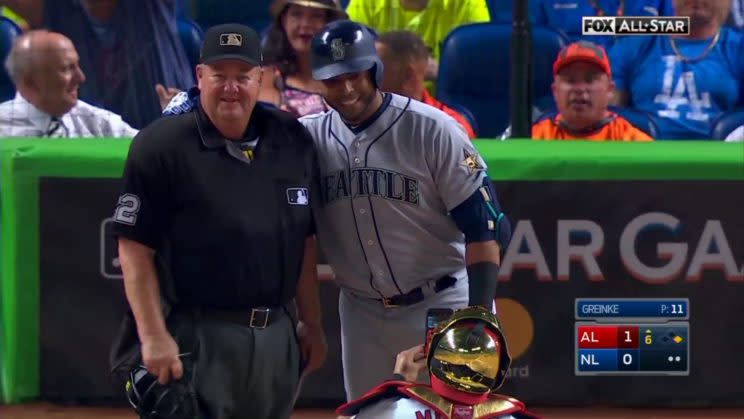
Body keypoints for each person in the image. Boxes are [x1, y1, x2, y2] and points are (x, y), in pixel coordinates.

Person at [109, 23, 327, 419]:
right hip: (197, 336)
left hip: (276, 334)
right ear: (199, 77)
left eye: (243, 77)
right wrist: (153, 335)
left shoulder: (291, 140)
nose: (231, 88)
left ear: (260, 79)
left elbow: (305, 243)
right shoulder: (161, 145)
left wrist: (311, 323)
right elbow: (133, 249)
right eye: (219, 76)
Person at [298, 20, 512, 403]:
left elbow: (488, 226)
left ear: (374, 71)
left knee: (451, 412)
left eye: (355, 75)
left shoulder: (432, 130)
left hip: (443, 303)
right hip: (361, 314)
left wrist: (477, 314)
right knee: (371, 414)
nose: (346, 89)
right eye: (333, 80)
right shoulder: (308, 138)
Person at [336, 306, 540, 419]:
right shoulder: (507, 418)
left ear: (434, 360)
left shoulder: (393, 412)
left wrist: (399, 382)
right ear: (498, 372)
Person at [609, 0, 744, 140]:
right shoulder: (634, 46)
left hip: (720, 157)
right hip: (644, 155)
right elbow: (608, 116)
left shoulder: (738, 49)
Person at [0, 30, 137, 138]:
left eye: (77, 65)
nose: (81, 78)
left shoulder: (96, 122)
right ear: (30, 82)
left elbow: (147, 152)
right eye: (66, 69)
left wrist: (159, 128)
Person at [532, 41, 654, 141]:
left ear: (609, 90)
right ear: (555, 91)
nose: (579, 89)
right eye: (570, 80)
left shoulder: (632, 141)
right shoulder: (536, 138)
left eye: (590, 80)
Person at [345, 0, 491, 81]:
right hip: (378, 103)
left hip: (444, 106)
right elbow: (341, 55)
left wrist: (442, 72)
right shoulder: (364, 3)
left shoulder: (468, 3)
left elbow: (483, 69)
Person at [375, 30, 477, 139]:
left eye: (376, 70)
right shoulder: (360, 120)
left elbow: (471, 156)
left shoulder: (452, 127)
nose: (367, 78)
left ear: (407, 76)